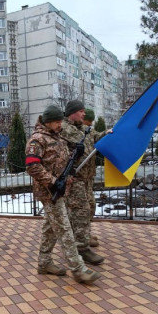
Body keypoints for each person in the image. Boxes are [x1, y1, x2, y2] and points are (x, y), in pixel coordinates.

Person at [25, 105, 100, 284]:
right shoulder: (37, 141)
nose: (60, 125)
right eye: (57, 122)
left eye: (60, 121)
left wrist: (72, 166)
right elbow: (32, 166)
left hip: (62, 189)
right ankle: (78, 269)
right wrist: (52, 181)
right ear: (49, 122)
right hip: (49, 192)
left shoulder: (56, 137)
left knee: (50, 229)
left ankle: (44, 262)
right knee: (65, 230)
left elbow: (62, 161)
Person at [61, 100, 104, 265]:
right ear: (72, 113)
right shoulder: (65, 129)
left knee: (87, 208)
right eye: (81, 111)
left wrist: (109, 133)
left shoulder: (83, 129)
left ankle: (80, 239)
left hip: (86, 178)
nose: (84, 114)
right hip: (74, 178)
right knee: (81, 210)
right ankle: (81, 248)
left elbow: (95, 137)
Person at [82, 109, 111, 247]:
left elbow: (97, 136)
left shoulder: (89, 131)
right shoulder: (75, 132)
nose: (90, 124)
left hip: (88, 176)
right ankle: (82, 236)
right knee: (83, 208)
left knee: (91, 206)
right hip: (78, 178)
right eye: (88, 122)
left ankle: (85, 233)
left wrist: (106, 133)